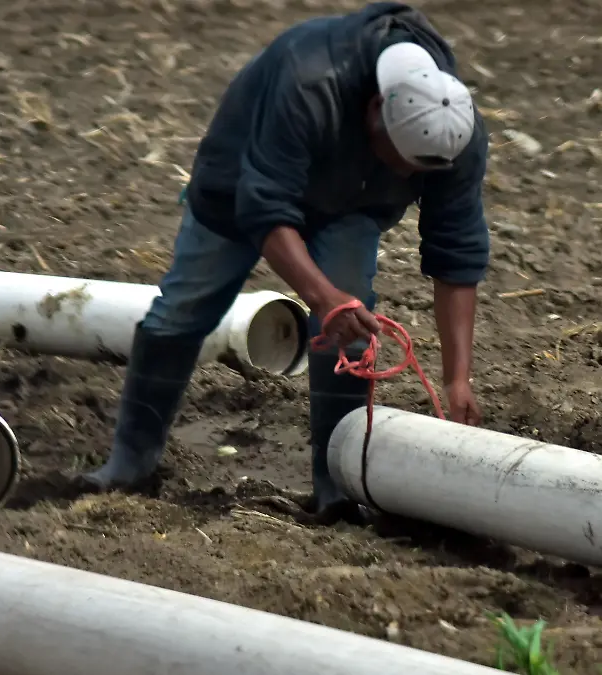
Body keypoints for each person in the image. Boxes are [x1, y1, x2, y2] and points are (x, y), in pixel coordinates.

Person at [72, 1, 490, 525]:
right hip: (237, 188)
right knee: (185, 308)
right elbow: (264, 205)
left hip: (352, 204)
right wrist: (322, 297)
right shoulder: (309, 80)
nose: (404, 172)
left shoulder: (452, 130)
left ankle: (336, 490)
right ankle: (130, 463)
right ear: (374, 109)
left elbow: (457, 247)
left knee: (352, 330)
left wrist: (458, 379)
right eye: (394, 156)